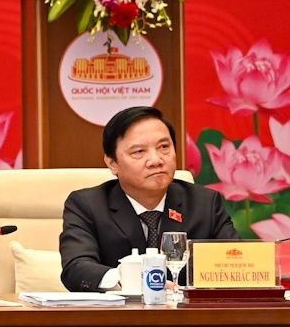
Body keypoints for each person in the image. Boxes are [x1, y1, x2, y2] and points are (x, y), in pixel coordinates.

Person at [59, 105, 235, 292]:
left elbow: (237, 262)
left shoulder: (204, 203)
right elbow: (76, 268)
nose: (156, 160)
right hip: (117, 318)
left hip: (188, 318)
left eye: (164, 147)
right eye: (139, 152)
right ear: (112, 163)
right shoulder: (88, 205)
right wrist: (128, 278)